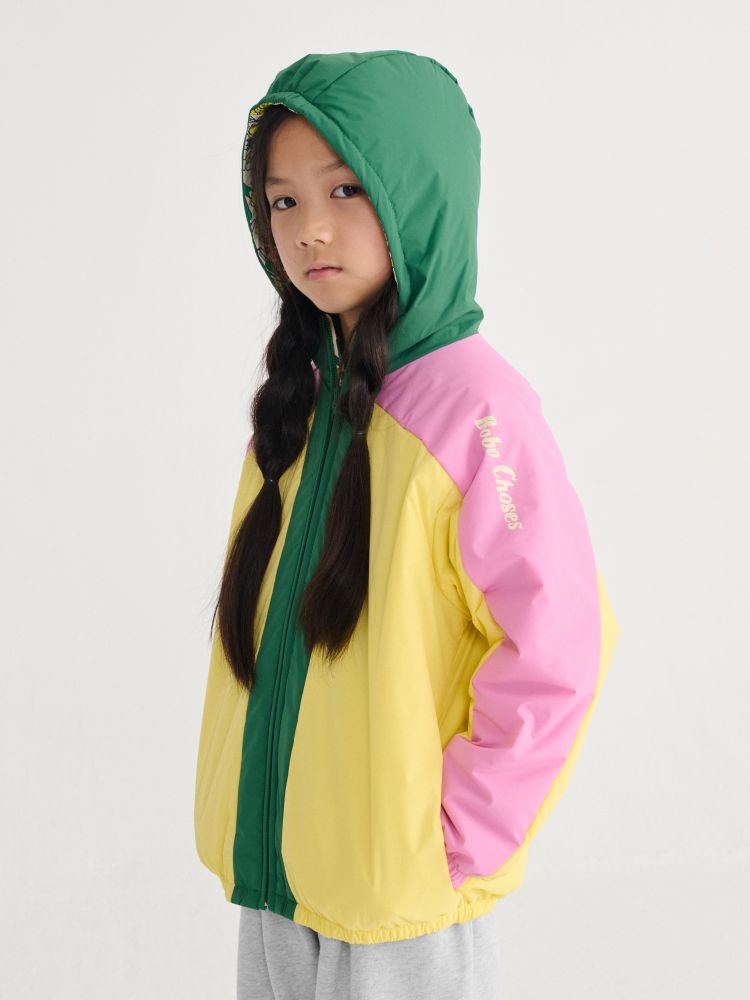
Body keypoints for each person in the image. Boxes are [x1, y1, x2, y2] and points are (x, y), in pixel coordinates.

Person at [193, 49, 620, 999]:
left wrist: (457, 839)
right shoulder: (297, 408)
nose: (310, 228)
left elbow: (558, 643)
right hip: (282, 883)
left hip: (403, 907)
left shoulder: (477, 412)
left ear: (417, 198)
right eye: (283, 201)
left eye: (345, 190)